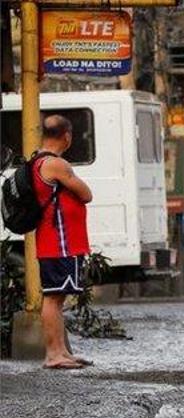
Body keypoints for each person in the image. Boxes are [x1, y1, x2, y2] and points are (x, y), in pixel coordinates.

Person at [33, 115, 93, 369]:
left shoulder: (37, 160)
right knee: (53, 297)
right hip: (59, 241)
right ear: (66, 136)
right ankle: (53, 354)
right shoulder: (55, 164)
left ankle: (60, 351)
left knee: (56, 297)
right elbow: (86, 194)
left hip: (56, 240)